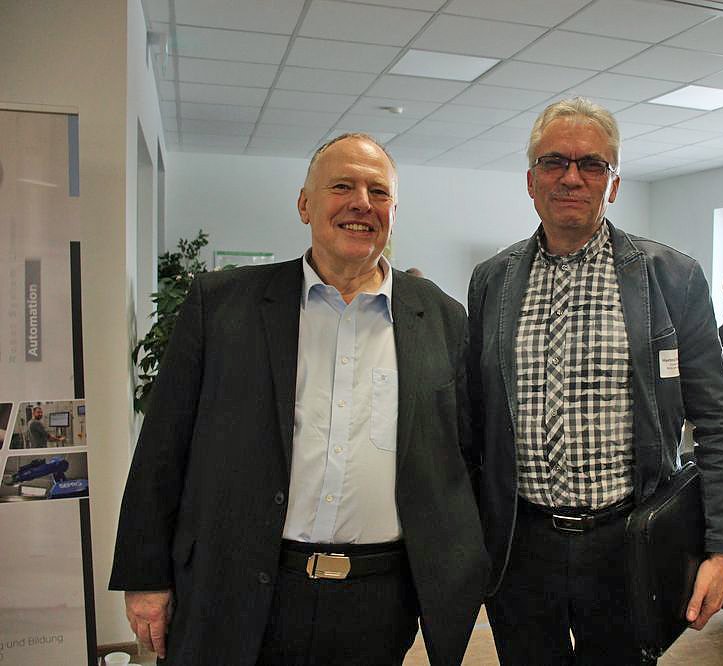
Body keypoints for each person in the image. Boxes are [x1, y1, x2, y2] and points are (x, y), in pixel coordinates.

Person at [109, 133, 488, 665]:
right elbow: (162, 449)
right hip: (239, 587)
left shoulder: (443, 319)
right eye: (342, 186)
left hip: (379, 600)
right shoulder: (221, 306)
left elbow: (463, 456)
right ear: (305, 204)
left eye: (379, 192)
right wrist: (146, 576)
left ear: (394, 212)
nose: (362, 203)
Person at [466, 98, 723, 665]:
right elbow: (474, 418)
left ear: (613, 184)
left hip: (628, 541)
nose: (571, 177)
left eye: (592, 164)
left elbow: (719, 420)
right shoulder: (492, 280)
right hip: (521, 546)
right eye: (554, 162)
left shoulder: (670, 277)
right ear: (530, 180)